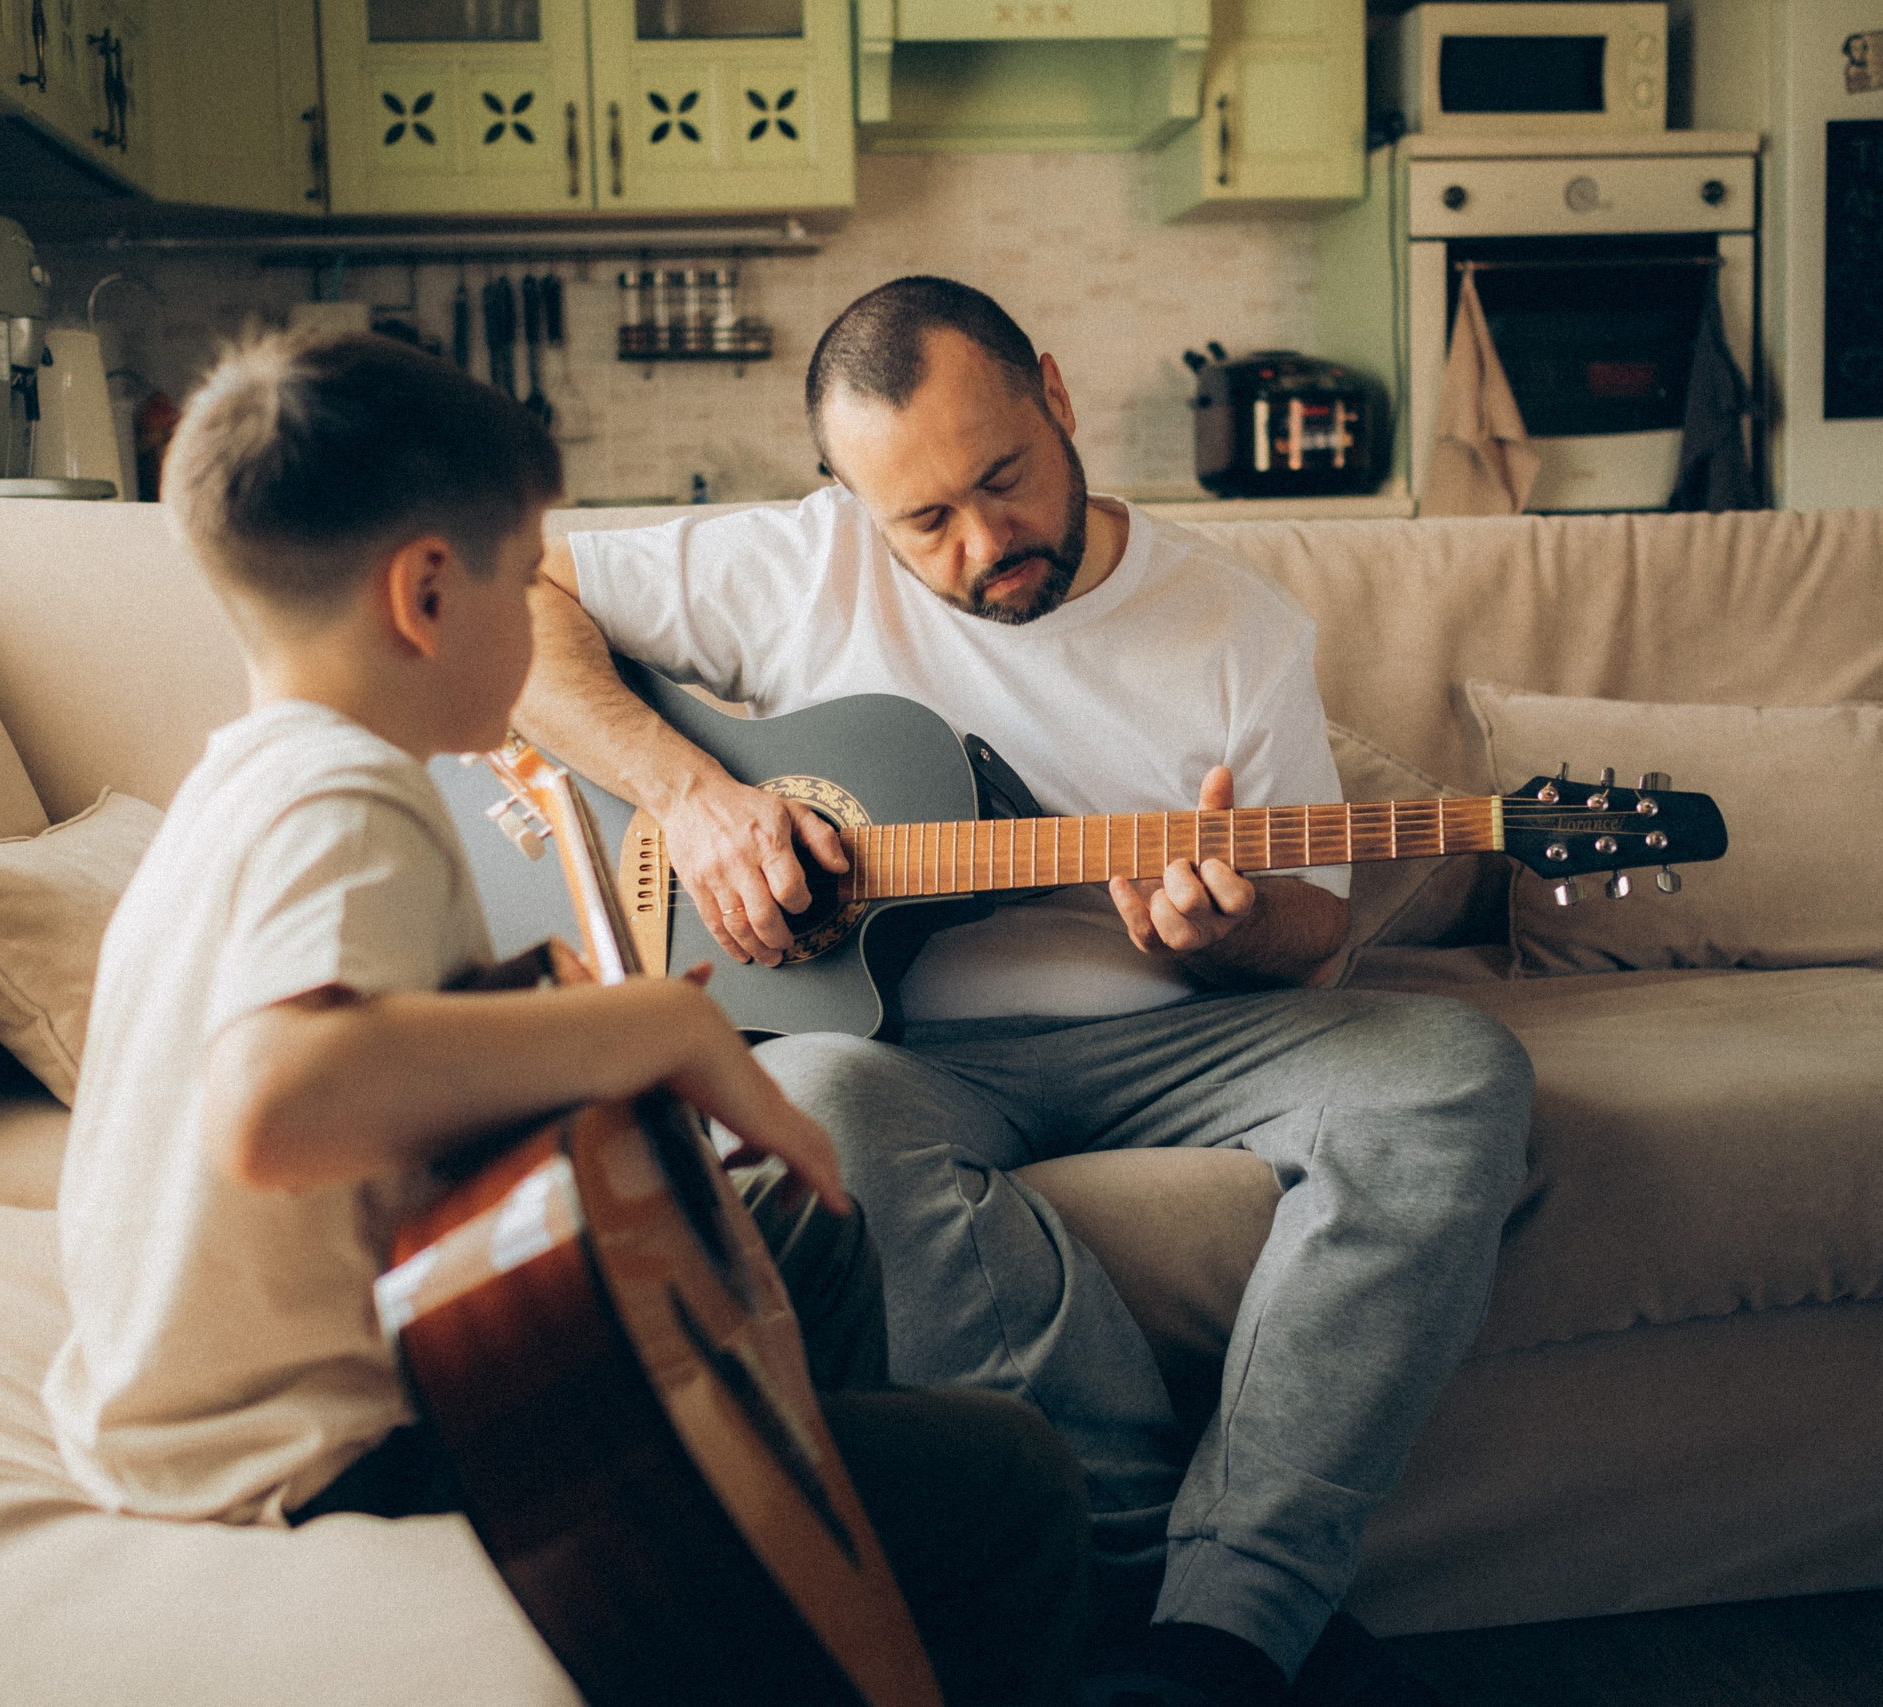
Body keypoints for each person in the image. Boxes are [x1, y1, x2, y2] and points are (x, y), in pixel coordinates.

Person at [514, 278, 1537, 1707]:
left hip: (1181, 1041)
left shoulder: (1233, 622)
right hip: (903, 1054)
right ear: (852, 501)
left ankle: (1226, 1620)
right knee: (809, 1096)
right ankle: (1145, 1602)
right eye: (922, 523)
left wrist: (1216, 934)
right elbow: (516, 595)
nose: (983, 543)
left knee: (1454, 1072)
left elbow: (1311, 940)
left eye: (1004, 479)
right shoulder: (793, 565)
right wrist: (690, 797)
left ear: (1055, 394)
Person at [42, 328, 1091, 1707]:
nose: (539, 615)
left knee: (800, 1238)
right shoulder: (351, 798)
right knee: (1012, 1474)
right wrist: (656, 1027)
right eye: (521, 570)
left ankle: (790, 1602)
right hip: (310, 1453)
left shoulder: (241, 781)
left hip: (186, 1407)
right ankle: (824, 1579)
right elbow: (275, 1102)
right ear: (426, 593)